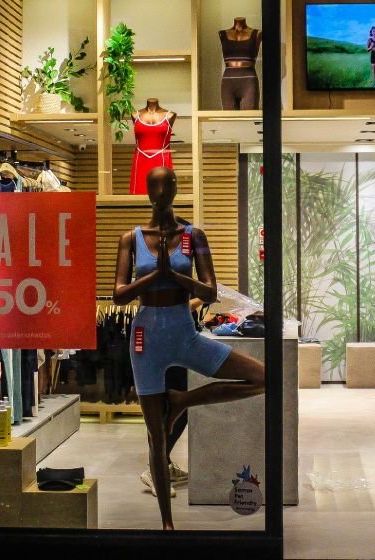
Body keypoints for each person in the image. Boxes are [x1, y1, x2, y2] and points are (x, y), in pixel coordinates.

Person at [113, 167, 265, 530]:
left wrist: (175, 276)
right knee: (156, 436)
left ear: (176, 189)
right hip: (147, 337)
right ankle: (167, 524)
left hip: (184, 332)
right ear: (147, 191)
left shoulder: (193, 235)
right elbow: (119, 295)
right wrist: (155, 275)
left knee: (264, 378)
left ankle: (183, 400)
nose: (161, 192)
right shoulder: (131, 238)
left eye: (167, 185)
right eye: (155, 185)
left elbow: (209, 290)